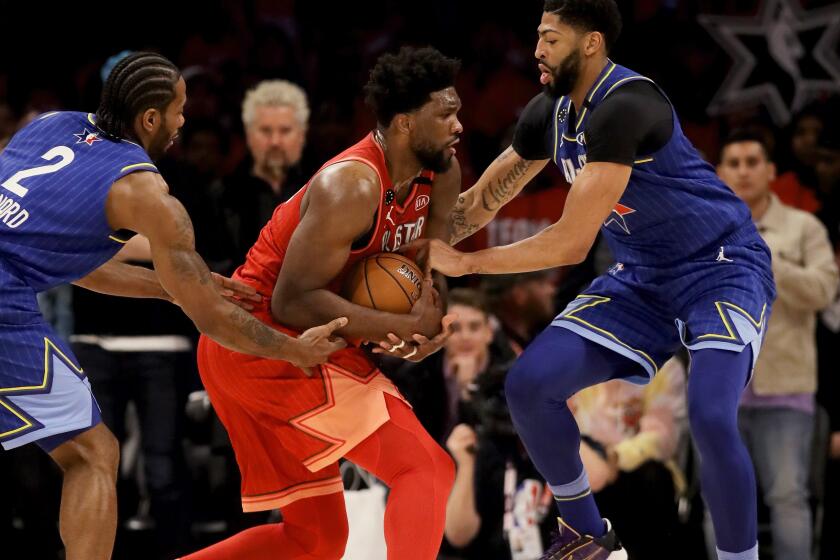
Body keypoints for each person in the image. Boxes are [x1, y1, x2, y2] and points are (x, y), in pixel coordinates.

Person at [407, 2, 777, 559]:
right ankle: (588, 536)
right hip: (644, 278)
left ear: (591, 44)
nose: (536, 50)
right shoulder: (548, 112)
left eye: (550, 39)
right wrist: (407, 241)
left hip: (719, 268)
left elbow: (571, 242)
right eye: (537, 37)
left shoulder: (628, 105)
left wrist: (467, 264)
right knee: (529, 385)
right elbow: (481, 202)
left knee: (709, 414)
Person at [0, 51, 345, 560]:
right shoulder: (146, 192)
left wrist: (173, 285)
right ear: (151, 118)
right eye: (180, 110)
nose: (185, 122)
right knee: (95, 454)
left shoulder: (49, 126)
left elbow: (71, 259)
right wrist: (293, 350)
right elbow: (211, 319)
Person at [181, 46, 463, 560]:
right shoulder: (351, 184)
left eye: (458, 111)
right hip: (263, 341)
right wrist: (393, 322)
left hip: (288, 346)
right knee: (426, 468)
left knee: (315, 540)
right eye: (445, 114)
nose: (458, 125)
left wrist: (420, 332)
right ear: (403, 123)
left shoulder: (440, 173)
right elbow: (292, 301)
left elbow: (426, 277)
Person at [719, 130, 838, 560]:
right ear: (719, 172)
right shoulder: (698, 228)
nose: (743, 170)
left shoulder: (804, 228)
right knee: (722, 499)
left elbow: (826, 291)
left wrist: (766, 255)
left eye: (753, 162)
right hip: (718, 389)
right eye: (733, 162)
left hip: (786, 388)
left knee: (788, 498)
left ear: (771, 172)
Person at [223, 80, 311, 264]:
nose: (275, 142)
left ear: (302, 135)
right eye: (265, 131)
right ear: (249, 135)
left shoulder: (322, 187)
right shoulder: (221, 193)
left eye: (285, 131)